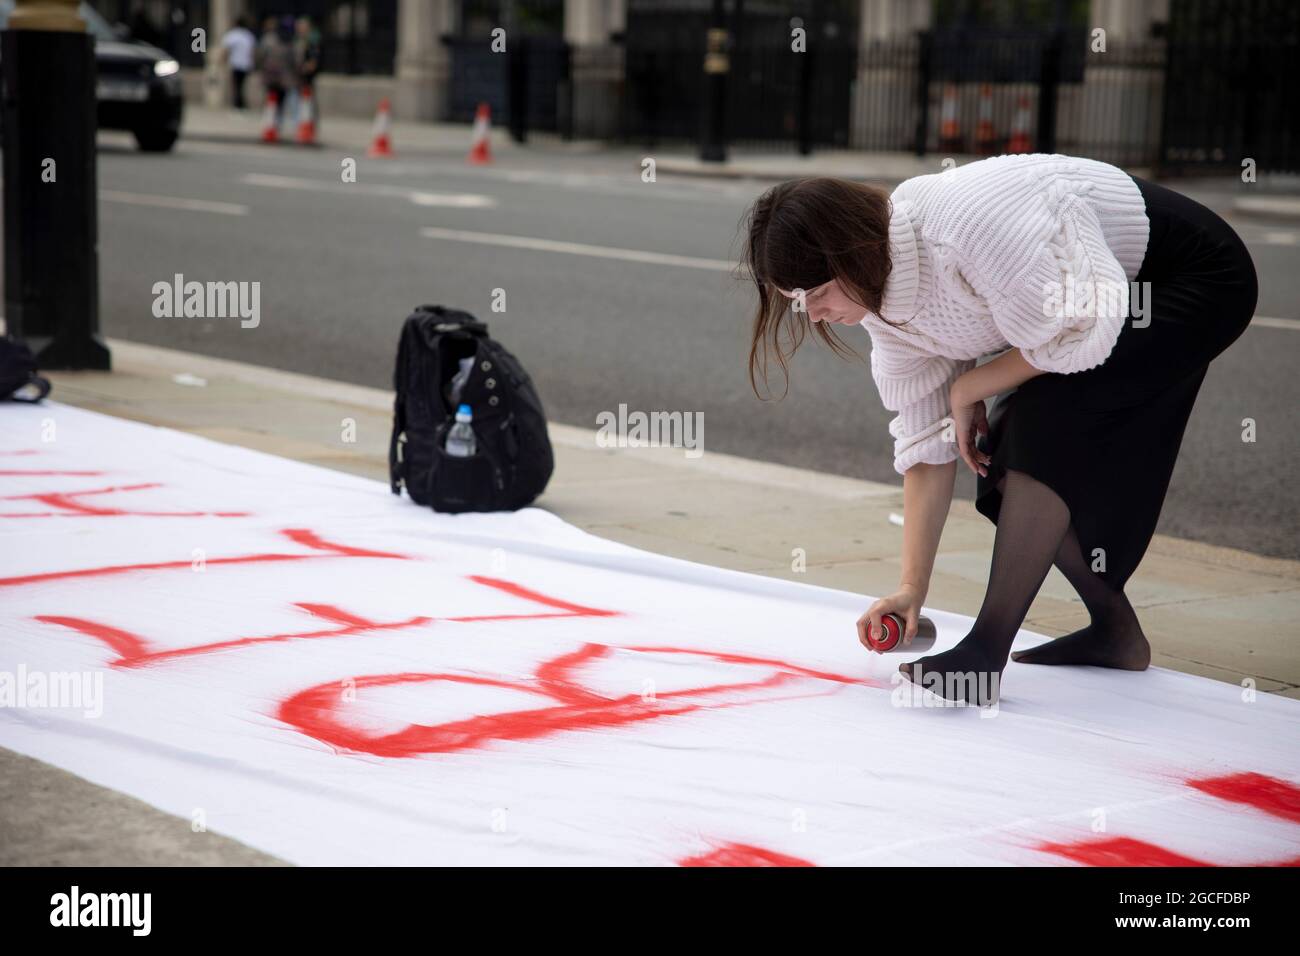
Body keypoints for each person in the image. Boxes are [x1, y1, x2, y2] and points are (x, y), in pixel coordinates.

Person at [740, 155, 1257, 706]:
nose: (813, 315)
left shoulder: (968, 226)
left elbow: (1080, 319)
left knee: (1035, 427)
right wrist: (912, 589)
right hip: (1109, 295)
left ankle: (985, 653)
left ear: (851, 250)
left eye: (814, 293)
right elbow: (926, 442)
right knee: (1000, 450)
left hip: (1192, 276)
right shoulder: (885, 308)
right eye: (798, 303)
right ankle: (1115, 634)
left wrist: (970, 387)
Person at [256, 16, 292, 127]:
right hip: (280, 76)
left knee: (272, 99)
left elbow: (260, 56)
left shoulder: (268, 39)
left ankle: (271, 122)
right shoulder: (288, 40)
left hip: (272, 75)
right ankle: (274, 122)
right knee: (278, 100)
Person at [219, 16, 257, 111]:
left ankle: (238, 104)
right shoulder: (248, 35)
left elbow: (226, 50)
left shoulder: (232, 35)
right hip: (246, 64)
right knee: (242, 85)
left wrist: (222, 61)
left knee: (236, 85)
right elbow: (253, 51)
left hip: (236, 64)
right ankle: (241, 103)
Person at [292, 16, 323, 126]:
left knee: (308, 100)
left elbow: (313, 61)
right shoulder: (297, 40)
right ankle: (299, 123)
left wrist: (305, 67)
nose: (299, 29)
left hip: (306, 77)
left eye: (301, 27)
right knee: (296, 100)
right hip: (297, 77)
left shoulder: (312, 41)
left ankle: (308, 123)